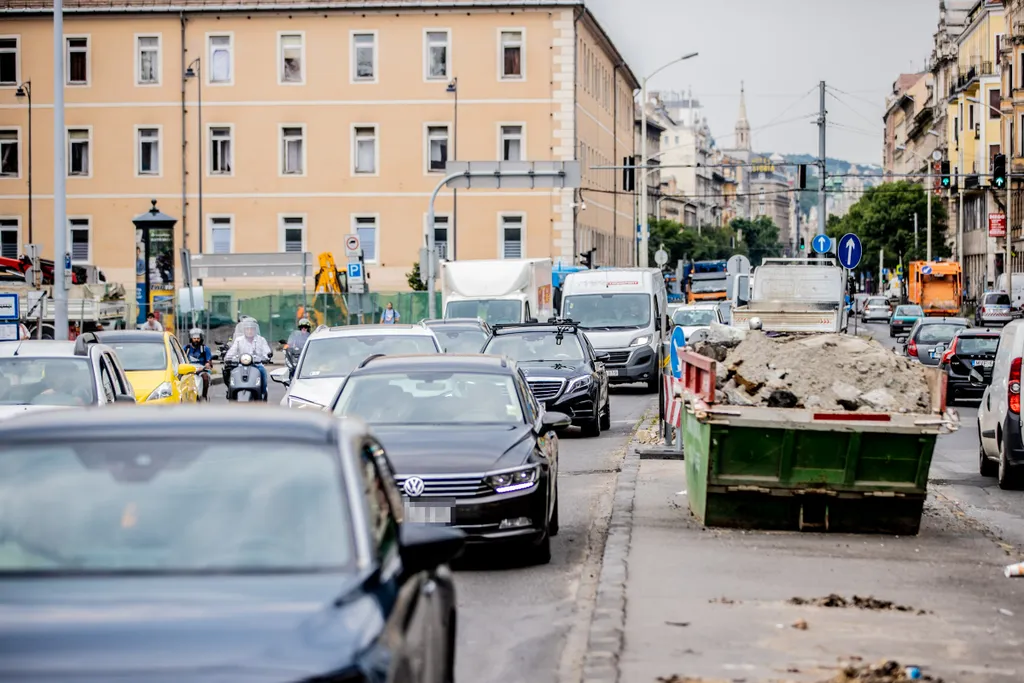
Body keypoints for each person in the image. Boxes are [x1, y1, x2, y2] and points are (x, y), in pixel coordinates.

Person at [224, 319, 272, 400]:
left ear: (255, 330)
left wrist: (266, 357)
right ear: (244, 330)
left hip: (257, 364)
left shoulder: (261, 340)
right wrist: (228, 358)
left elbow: (267, 351)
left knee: (263, 372)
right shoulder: (239, 340)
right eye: (247, 329)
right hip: (240, 364)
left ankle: (263, 393)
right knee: (231, 372)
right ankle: (231, 392)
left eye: (252, 329)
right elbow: (232, 351)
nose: (250, 331)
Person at [185, 328, 213, 401]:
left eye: (198, 338)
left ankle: (204, 396)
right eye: (194, 338)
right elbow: (181, 357)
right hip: (189, 369)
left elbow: (208, 360)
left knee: (205, 378)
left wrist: (207, 364)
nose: (196, 340)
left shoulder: (205, 349)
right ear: (191, 338)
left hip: (201, 368)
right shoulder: (186, 348)